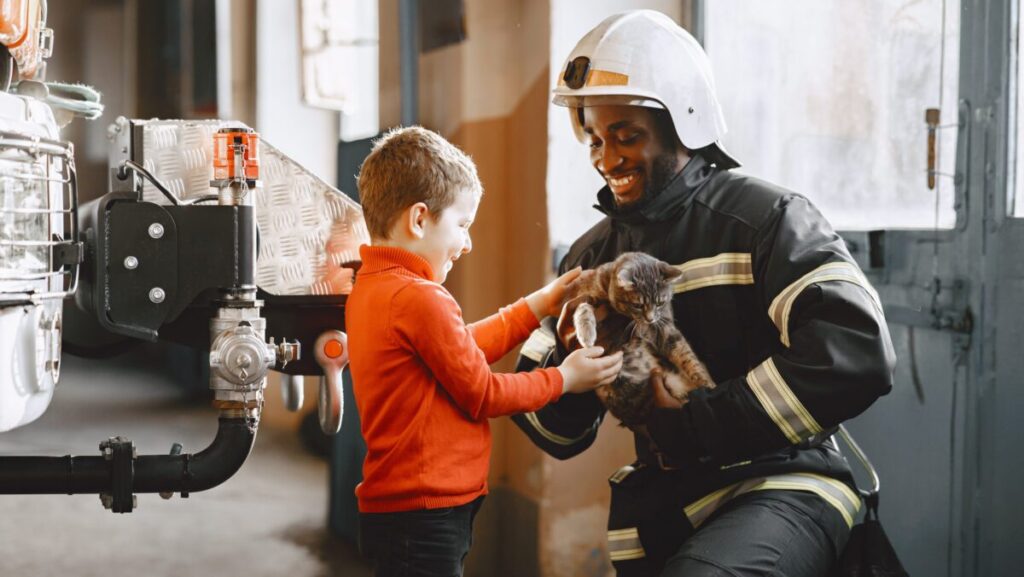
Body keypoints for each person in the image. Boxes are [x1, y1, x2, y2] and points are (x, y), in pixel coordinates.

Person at [512, 10, 897, 577]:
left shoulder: (767, 219)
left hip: (789, 481)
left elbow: (857, 353)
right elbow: (553, 431)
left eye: (627, 136)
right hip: (669, 500)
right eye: (594, 138)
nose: (606, 158)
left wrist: (696, 419)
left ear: (683, 125)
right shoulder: (590, 257)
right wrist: (572, 361)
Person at [346, 126, 624, 577]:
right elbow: (483, 392)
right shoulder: (420, 298)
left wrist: (539, 305)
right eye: (462, 225)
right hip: (425, 512)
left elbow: (460, 351)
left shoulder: (373, 288)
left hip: (404, 507)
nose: (468, 243)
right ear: (419, 219)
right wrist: (565, 379)